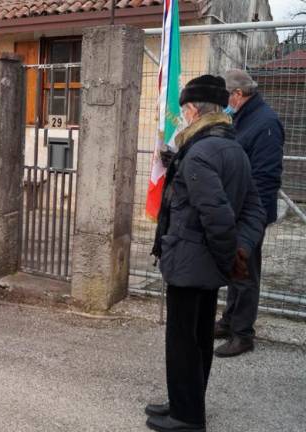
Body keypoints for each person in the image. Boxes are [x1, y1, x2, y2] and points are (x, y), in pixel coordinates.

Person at [146, 75, 266, 432]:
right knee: (198, 338)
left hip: (191, 261)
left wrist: (231, 256)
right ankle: (187, 401)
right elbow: (254, 211)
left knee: (183, 341)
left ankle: (187, 416)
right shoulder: (232, 147)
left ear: (195, 109)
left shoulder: (200, 153)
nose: (182, 115)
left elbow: (217, 216)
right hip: (206, 262)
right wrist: (237, 253)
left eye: (184, 109)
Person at [214, 69, 284, 358]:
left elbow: (266, 178)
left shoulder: (265, 123)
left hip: (250, 212)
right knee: (235, 267)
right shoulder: (242, 118)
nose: (223, 104)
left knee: (245, 270)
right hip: (236, 209)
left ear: (238, 95)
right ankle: (230, 320)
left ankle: (243, 334)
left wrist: (251, 217)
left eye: (226, 97)